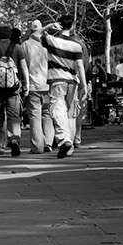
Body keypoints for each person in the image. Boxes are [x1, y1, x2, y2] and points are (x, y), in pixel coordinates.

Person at [43, 15, 86, 158]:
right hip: (73, 82)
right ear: (72, 26)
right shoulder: (77, 45)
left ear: (59, 25)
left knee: (57, 111)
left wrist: (49, 26)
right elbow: (80, 66)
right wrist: (84, 86)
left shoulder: (51, 40)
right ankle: (71, 146)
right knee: (71, 113)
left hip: (57, 81)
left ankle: (65, 141)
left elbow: (36, 34)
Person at [0, 24, 24, 157]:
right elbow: (24, 67)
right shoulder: (18, 48)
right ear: (9, 34)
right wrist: (26, 83)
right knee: (14, 115)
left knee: (0, 116)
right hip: (14, 88)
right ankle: (14, 139)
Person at [21, 19, 53, 154]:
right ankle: (48, 143)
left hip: (33, 85)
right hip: (48, 84)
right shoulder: (49, 44)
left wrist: (25, 85)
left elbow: (23, 66)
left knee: (35, 116)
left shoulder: (25, 45)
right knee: (48, 114)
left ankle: (37, 146)